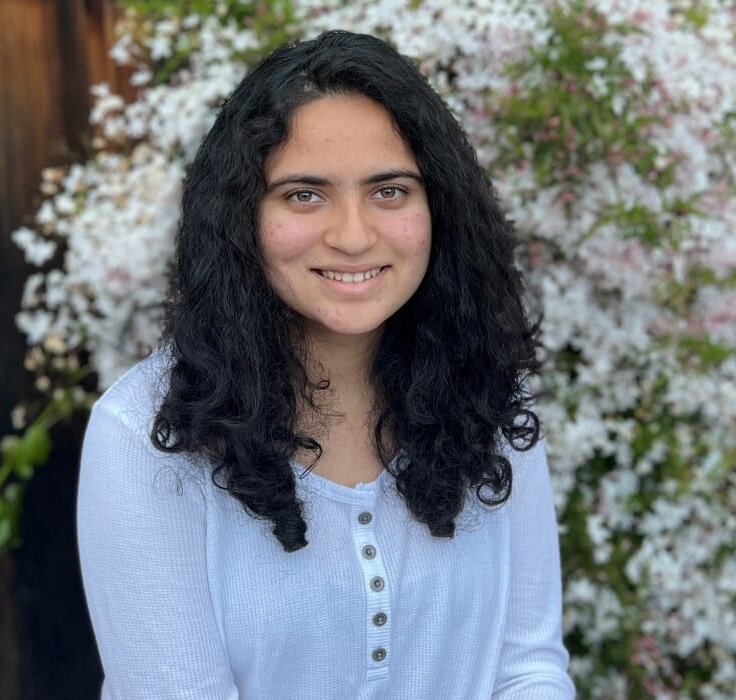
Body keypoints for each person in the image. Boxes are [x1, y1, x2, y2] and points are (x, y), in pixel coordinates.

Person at [77, 30, 574, 699]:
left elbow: (528, 669)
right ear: (240, 217)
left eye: (389, 191)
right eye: (304, 194)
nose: (353, 235)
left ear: (440, 207)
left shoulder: (488, 396)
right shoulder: (143, 436)